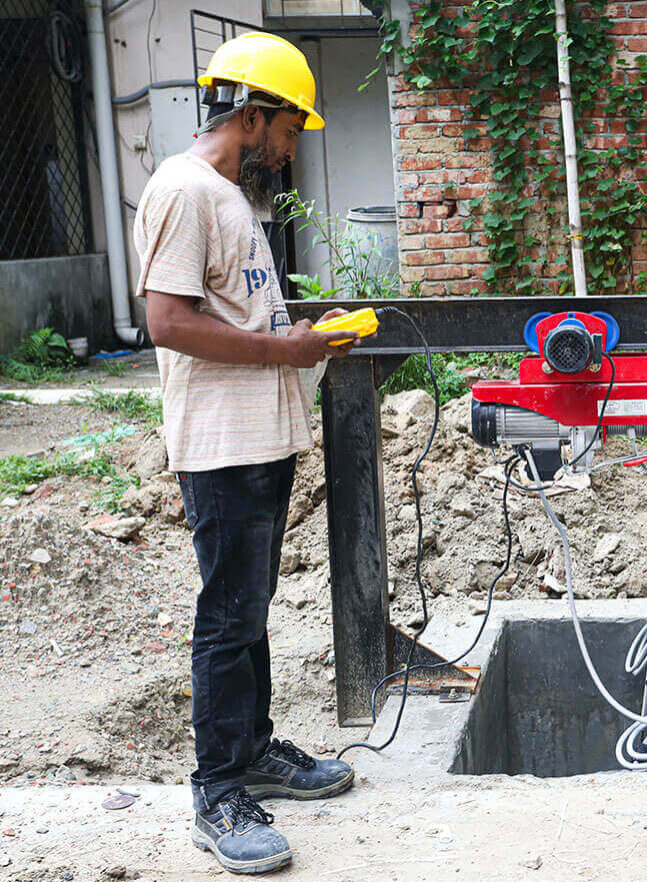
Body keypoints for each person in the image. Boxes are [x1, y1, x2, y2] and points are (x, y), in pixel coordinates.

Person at [134, 32, 361, 874]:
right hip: (220, 447)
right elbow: (168, 322)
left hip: (259, 440)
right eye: (291, 130)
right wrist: (286, 353)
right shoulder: (184, 191)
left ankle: (255, 749)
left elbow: (233, 313)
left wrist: (302, 337)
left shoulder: (230, 194)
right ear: (255, 114)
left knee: (250, 607)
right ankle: (217, 792)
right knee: (228, 617)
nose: (293, 148)